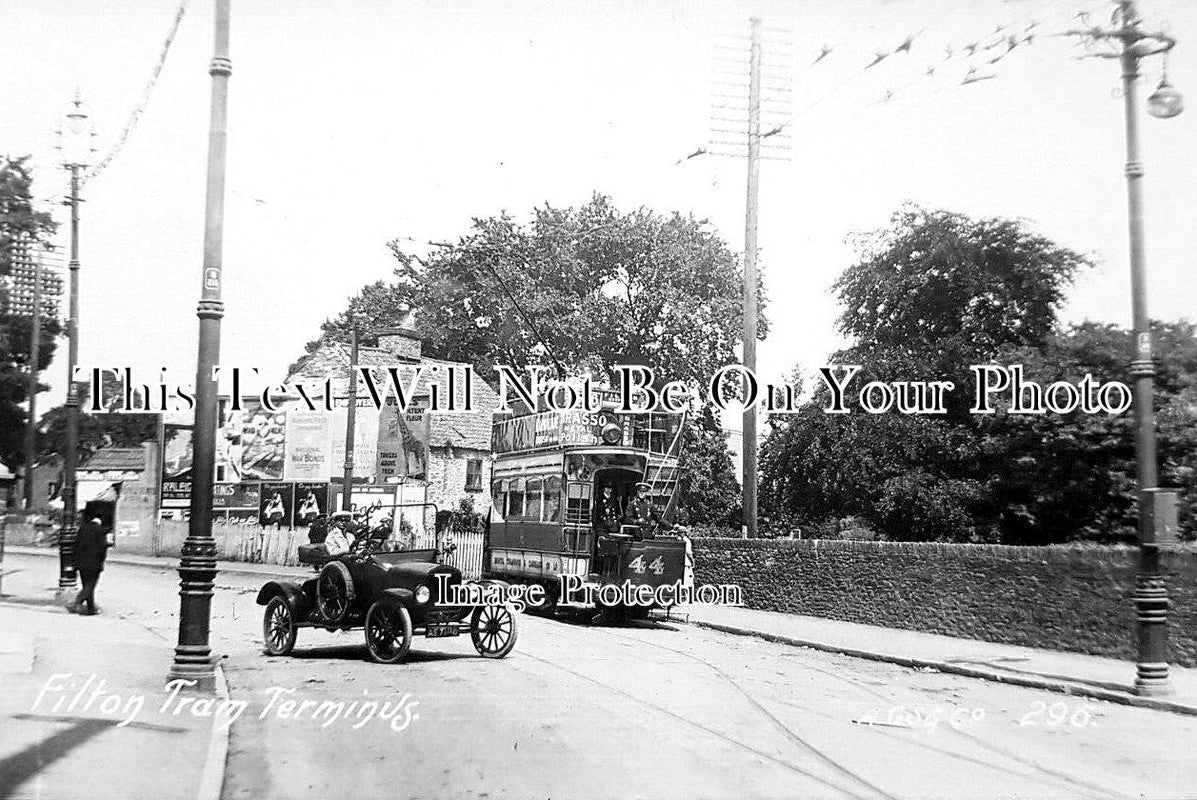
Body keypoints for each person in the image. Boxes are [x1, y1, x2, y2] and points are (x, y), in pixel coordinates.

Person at [71, 516, 111, 615]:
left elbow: (76, 545)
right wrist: (102, 560)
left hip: (81, 562)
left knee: (86, 585)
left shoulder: (82, 529)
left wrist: (75, 561)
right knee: (90, 585)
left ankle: (91, 607)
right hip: (94, 563)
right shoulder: (101, 531)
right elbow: (103, 548)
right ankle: (77, 602)